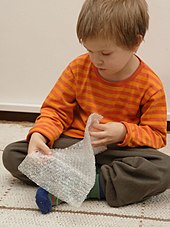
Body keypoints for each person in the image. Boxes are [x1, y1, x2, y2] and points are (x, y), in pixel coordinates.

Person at [3, 0, 170, 215]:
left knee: (164, 169)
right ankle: (87, 178)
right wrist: (41, 136)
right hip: (74, 145)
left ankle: (84, 185)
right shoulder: (78, 69)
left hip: (119, 153)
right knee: (13, 154)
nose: (96, 60)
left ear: (135, 43)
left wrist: (123, 132)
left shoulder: (150, 85)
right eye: (89, 50)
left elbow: (157, 135)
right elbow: (56, 110)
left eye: (105, 53)